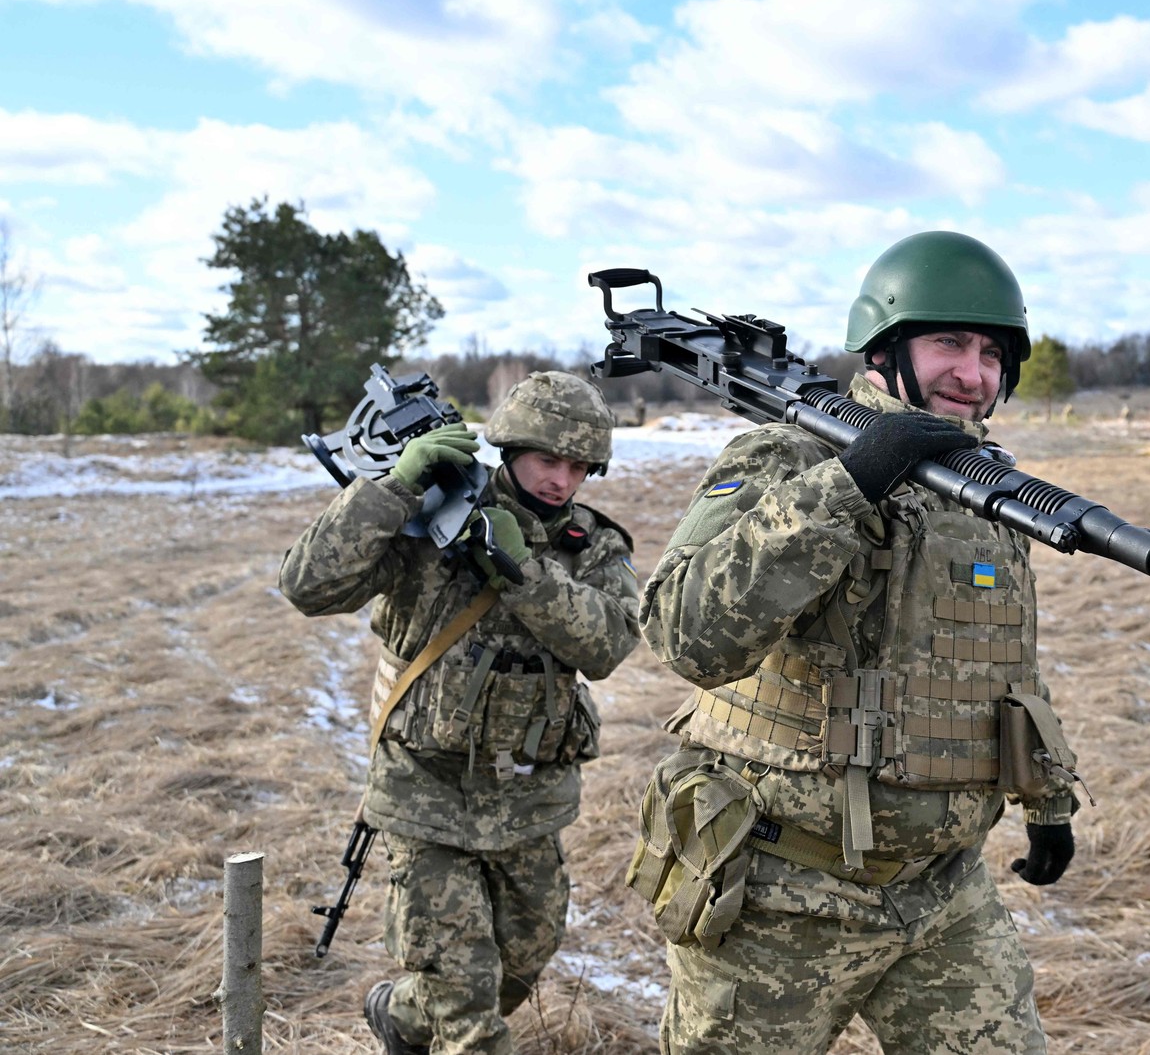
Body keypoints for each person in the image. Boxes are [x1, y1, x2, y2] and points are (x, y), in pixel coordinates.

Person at [631, 231, 1082, 1054]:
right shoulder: (785, 454)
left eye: (991, 353)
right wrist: (852, 481)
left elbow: (1004, 667)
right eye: (949, 341)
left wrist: (1048, 799)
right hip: (778, 895)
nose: (971, 373)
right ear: (884, 347)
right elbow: (684, 631)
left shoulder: (982, 490)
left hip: (942, 896)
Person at [280, 372, 641, 1055]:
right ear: (509, 448)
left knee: (517, 967)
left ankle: (400, 1014)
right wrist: (396, 488)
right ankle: (443, 1015)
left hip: (529, 802)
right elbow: (307, 584)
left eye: (577, 466)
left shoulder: (588, 543)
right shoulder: (428, 518)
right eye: (546, 460)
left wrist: (521, 569)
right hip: (426, 793)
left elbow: (608, 644)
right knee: (469, 1017)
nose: (561, 479)